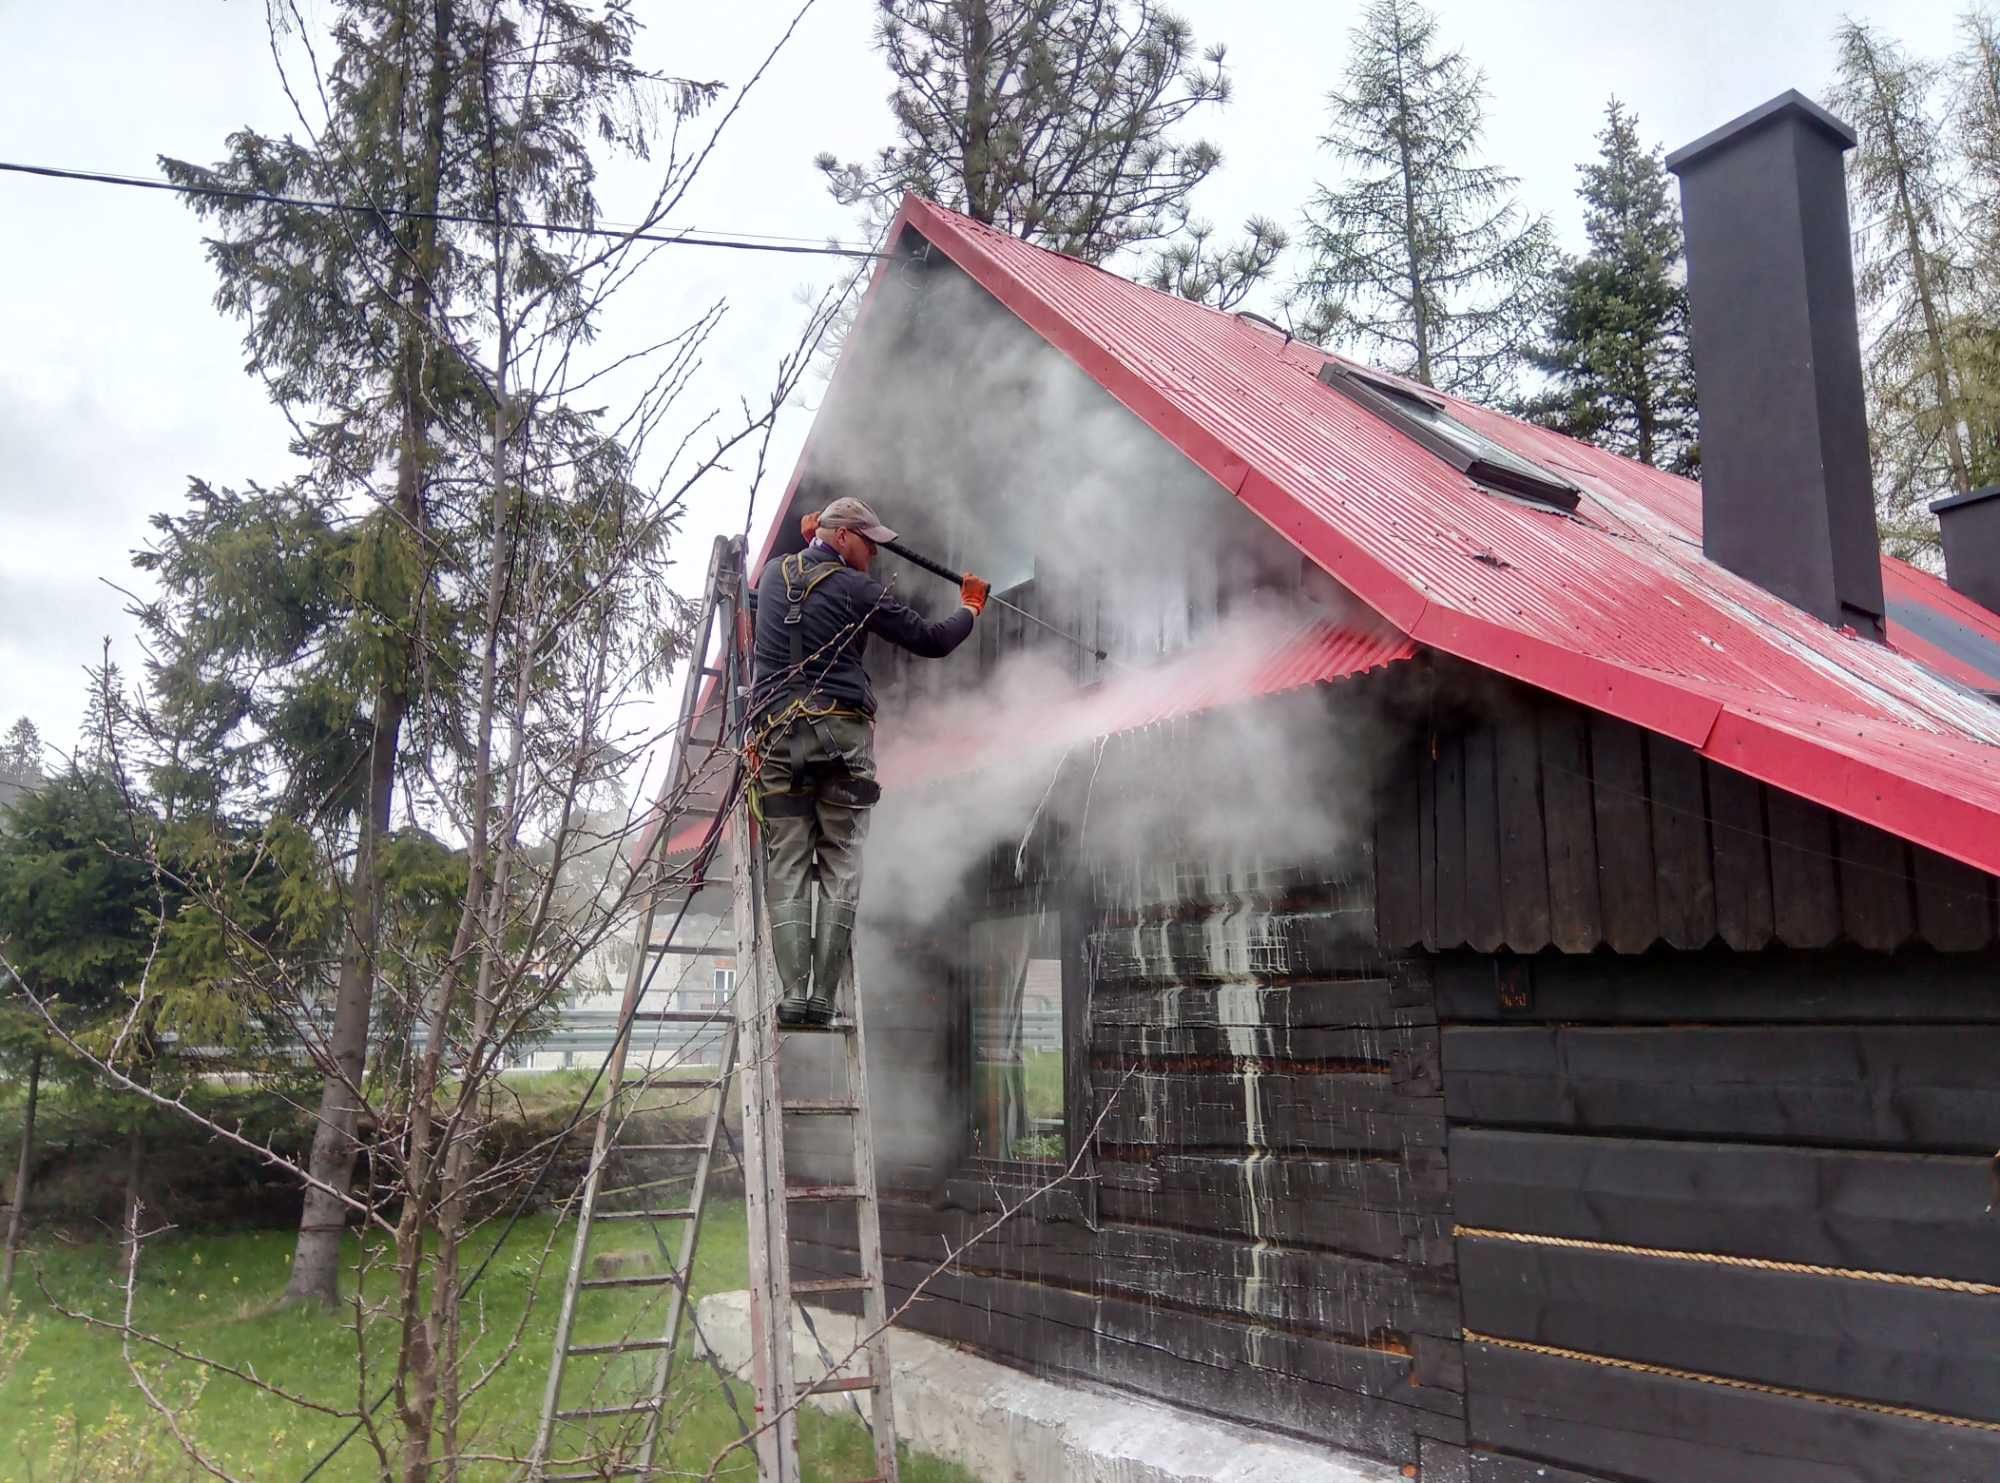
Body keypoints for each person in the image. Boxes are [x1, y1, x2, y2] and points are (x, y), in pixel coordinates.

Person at [749, 497, 990, 1026]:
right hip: (840, 733)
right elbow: (931, 640)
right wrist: (969, 607)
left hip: (774, 738)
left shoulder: (769, 577)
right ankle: (823, 999)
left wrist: (812, 541)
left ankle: (793, 996)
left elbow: (795, 589)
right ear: (840, 538)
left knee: (786, 859)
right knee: (841, 857)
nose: (874, 554)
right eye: (867, 542)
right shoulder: (858, 590)